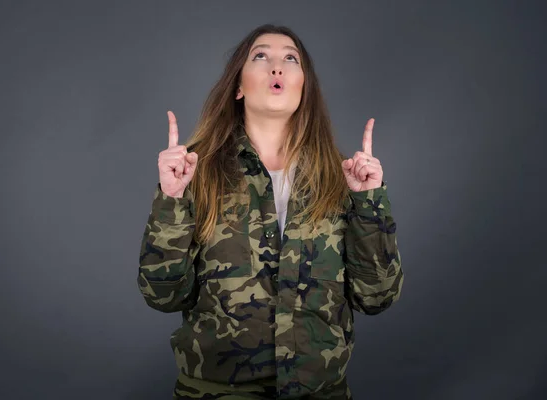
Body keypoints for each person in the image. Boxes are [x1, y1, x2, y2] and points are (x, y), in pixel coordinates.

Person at [137, 24, 404, 400]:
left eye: (290, 59)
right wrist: (172, 198)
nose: (276, 67)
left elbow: (376, 297)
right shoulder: (196, 172)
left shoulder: (341, 178)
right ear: (239, 86)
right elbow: (162, 296)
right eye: (260, 56)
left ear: (303, 87)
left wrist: (369, 203)